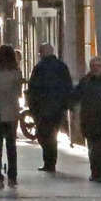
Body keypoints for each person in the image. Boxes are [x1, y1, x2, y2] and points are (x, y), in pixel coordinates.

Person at [27, 43, 74, 172]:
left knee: (44, 135)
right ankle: (51, 162)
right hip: (58, 108)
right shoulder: (62, 67)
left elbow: (32, 89)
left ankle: (49, 162)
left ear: (41, 53)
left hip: (42, 108)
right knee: (53, 134)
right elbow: (68, 86)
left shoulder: (39, 68)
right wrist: (67, 104)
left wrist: (32, 106)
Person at [0, 45, 24, 189]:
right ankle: (12, 177)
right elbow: (19, 92)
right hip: (12, 112)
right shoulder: (16, 71)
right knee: (11, 145)